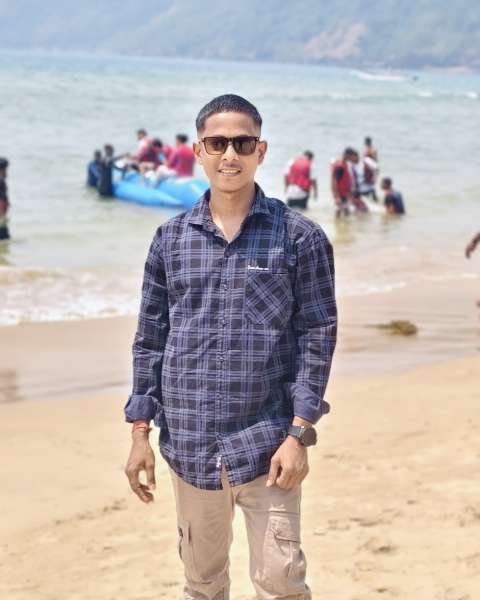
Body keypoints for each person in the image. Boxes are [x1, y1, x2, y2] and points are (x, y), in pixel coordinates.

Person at [124, 94, 337, 600]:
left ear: (261, 151)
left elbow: (318, 335)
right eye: (217, 143)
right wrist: (139, 431)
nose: (229, 155)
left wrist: (299, 433)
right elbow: (150, 339)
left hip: (270, 446)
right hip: (190, 444)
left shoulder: (299, 238)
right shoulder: (170, 240)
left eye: (242, 143)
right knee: (202, 585)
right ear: (199, 151)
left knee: (281, 585)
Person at [0, 157, 10, 240]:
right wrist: (2, 215)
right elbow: (1, 200)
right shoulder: (1, 181)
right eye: (5, 169)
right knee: (4, 239)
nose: (6, 172)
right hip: (0, 217)